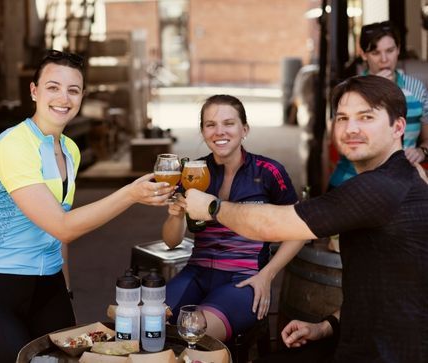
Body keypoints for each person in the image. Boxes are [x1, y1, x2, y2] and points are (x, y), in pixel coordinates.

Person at [184, 75, 428, 362]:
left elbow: (273, 225)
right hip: (358, 341)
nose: (351, 128)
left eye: (366, 117)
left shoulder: (381, 187)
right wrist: (326, 327)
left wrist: (213, 207)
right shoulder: (399, 177)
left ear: (398, 126)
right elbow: (384, 288)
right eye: (342, 118)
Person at [0, 49, 174, 363]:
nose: (63, 97)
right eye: (53, 87)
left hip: (48, 286)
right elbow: (62, 225)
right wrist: (130, 194)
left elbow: (58, 233)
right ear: (34, 91)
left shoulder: (69, 149)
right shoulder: (13, 146)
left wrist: (66, 291)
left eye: (73, 90)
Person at [162, 94, 305, 342]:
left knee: (197, 332)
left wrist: (267, 274)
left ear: (244, 129)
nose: (219, 131)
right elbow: (172, 242)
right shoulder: (193, 172)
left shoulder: (269, 171)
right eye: (211, 125)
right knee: (149, 321)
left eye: (228, 123)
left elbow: (299, 230)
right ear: (203, 131)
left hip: (245, 278)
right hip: (196, 273)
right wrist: (175, 216)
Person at [329, 20, 428, 188]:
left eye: (390, 50)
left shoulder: (416, 88)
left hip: (402, 182)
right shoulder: (348, 90)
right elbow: (338, 142)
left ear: (398, 49)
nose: (384, 59)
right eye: (375, 52)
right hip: (352, 181)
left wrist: (421, 151)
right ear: (363, 54)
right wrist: (374, 88)